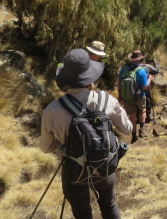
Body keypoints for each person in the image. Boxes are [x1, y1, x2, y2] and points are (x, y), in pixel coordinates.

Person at [41, 48, 132, 219]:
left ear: (65, 79)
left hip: (74, 172)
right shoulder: (108, 100)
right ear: (90, 76)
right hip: (104, 168)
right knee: (109, 205)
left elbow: (46, 148)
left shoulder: (53, 110)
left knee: (82, 213)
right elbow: (127, 129)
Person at [117, 50, 149, 142]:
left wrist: (120, 95)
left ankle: (134, 135)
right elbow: (144, 86)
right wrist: (150, 79)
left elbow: (119, 83)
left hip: (126, 96)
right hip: (139, 96)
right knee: (142, 110)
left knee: (132, 116)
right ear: (139, 60)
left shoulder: (124, 68)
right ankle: (142, 130)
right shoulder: (141, 70)